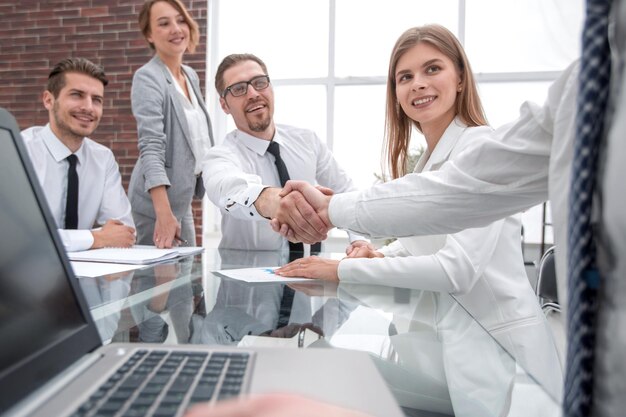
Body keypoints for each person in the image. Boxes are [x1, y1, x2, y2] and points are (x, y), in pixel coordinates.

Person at [277, 24, 562, 399]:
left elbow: (455, 269)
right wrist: (378, 254)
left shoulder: (480, 147)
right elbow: (422, 247)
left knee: (328, 379)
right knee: (325, 370)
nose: (418, 84)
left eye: (432, 69)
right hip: (451, 346)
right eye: (405, 77)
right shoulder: (428, 160)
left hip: (500, 356)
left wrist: (342, 269)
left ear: (460, 78)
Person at [202, 53, 368, 251]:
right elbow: (229, 189)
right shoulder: (220, 156)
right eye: (239, 89)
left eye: (260, 82)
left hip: (311, 274)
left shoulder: (307, 141)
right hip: (247, 278)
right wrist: (276, 202)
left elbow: (346, 191)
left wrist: (359, 241)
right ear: (224, 105)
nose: (253, 93)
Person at [21, 57, 135, 252]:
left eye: (97, 100)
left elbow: (124, 233)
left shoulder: (103, 158)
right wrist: (96, 237)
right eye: (77, 95)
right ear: (48, 100)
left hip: (87, 277)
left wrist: (94, 239)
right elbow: (20, 238)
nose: (89, 107)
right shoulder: (21, 151)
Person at [128, 0, 214, 249]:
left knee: (185, 275)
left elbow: (195, 139)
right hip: (155, 206)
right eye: (164, 24)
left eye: (180, 20)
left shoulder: (190, 74)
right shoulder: (147, 77)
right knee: (156, 282)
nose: (176, 29)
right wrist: (163, 214)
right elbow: (151, 147)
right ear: (149, 35)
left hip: (181, 201)